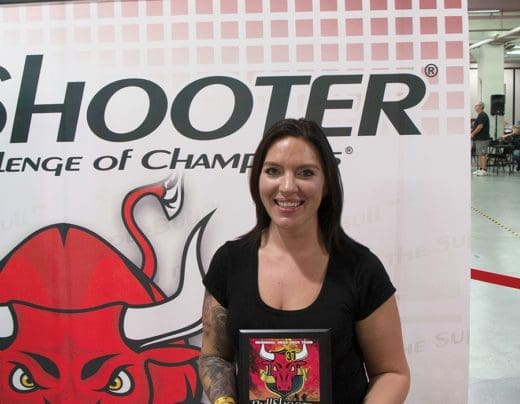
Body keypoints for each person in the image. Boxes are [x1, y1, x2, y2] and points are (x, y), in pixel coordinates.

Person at [198, 118, 410, 403]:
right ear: (257, 179)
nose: (287, 187)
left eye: (305, 173)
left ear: (327, 184)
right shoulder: (229, 262)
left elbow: (392, 373)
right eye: (273, 171)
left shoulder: (361, 268)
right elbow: (214, 356)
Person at [471, 101, 491, 176]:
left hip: (482, 139)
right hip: (479, 139)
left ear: (480, 106)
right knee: (480, 154)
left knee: (482, 154)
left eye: (476, 106)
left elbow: (480, 126)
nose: (475, 107)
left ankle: (484, 170)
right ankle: (480, 169)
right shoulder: (480, 115)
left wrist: (473, 133)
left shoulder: (482, 115)